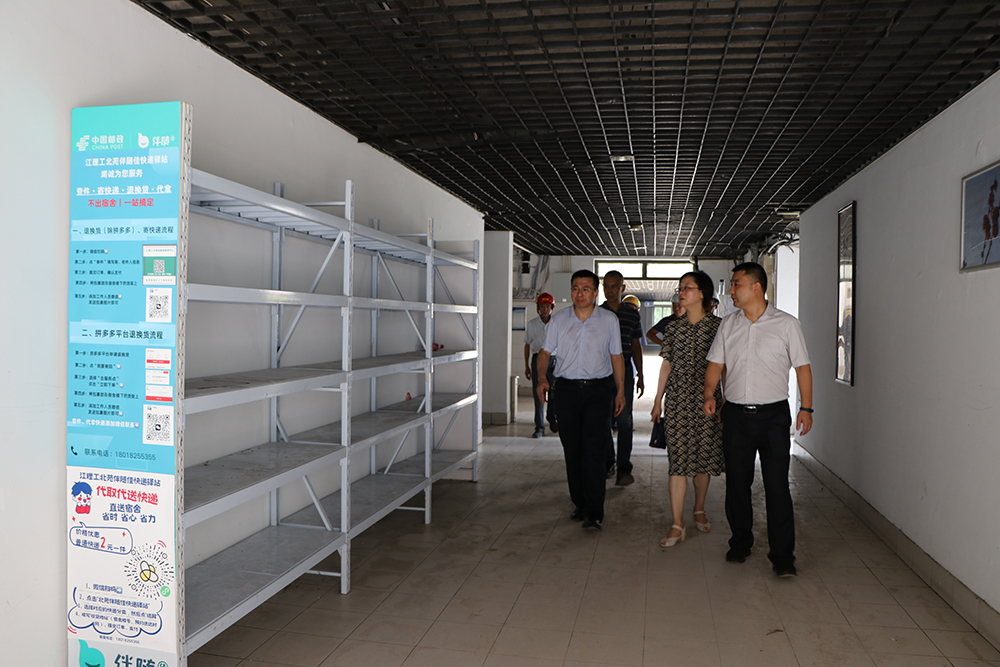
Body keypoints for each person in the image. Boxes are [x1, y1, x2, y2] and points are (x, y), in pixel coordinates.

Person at [702, 262, 813, 577]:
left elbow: (802, 367)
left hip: (773, 417)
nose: (731, 291)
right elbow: (715, 363)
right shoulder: (729, 325)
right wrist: (710, 394)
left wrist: (806, 408)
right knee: (737, 484)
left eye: (736, 284)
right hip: (736, 416)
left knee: (777, 486)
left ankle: (783, 556)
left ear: (756, 287)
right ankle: (740, 542)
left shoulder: (787, 324)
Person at [536, 270, 626, 530]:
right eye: (575, 288)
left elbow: (617, 357)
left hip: (598, 392)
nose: (580, 293)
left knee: (594, 452)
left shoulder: (609, 320)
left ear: (596, 292)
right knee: (573, 450)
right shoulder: (559, 320)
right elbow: (544, 353)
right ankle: (580, 503)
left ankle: (595, 511)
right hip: (566, 391)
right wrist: (542, 378)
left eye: (586, 288)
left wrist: (620, 391)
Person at [650, 271, 723, 548]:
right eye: (680, 288)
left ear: (702, 293)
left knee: (703, 457)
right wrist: (658, 400)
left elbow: (725, 367)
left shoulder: (718, 327)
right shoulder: (673, 328)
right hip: (678, 400)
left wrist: (726, 401)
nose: (681, 292)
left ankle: (699, 508)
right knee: (678, 460)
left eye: (687, 288)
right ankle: (677, 523)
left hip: (708, 402)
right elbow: (666, 364)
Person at [600, 270, 644, 486]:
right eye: (606, 286)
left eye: (614, 286)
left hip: (625, 372)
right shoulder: (596, 313)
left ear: (622, 288)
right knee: (603, 420)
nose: (610, 290)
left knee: (624, 421)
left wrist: (641, 374)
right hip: (601, 373)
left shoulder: (632, 314)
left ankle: (624, 468)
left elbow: (636, 346)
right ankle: (609, 461)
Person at [524, 293, 558, 438]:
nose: (545, 309)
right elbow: (527, 345)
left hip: (554, 360)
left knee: (555, 392)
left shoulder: (557, 324)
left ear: (552, 308)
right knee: (539, 394)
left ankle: (552, 418)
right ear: (538, 308)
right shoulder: (532, 324)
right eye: (542, 306)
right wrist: (527, 366)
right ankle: (539, 427)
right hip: (537, 359)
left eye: (548, 307)